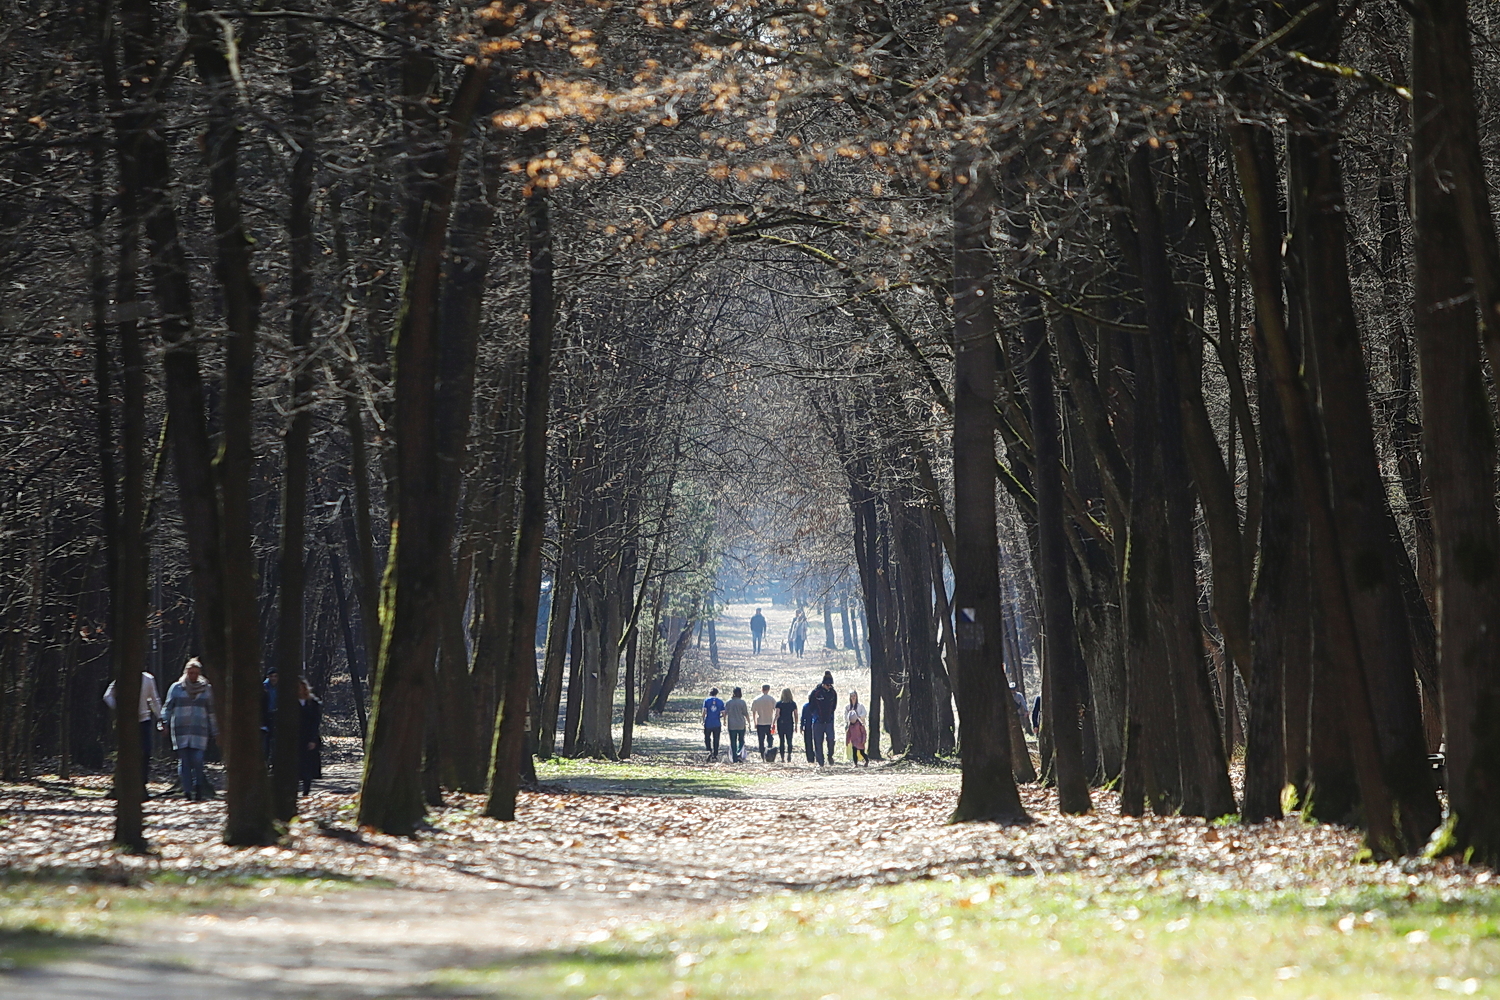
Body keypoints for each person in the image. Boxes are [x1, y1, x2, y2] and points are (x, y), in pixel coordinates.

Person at [161, 657, 217, 800]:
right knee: (184, 761)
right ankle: (187, 791)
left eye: (196, 673)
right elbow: (167, 707)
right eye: (191, 673)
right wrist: (163, 722)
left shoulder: (206, 688)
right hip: (181, 730)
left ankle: (198, 786)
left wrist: (215, 730)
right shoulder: (176, 688)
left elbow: (211, 711)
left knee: (198, 759)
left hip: (200, 730)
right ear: (186, 672)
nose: (193, 676)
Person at [103, 670, 163, 797]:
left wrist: (160, 717)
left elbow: (154, 699)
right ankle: (121, 785)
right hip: (126, 723)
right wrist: (120, 709)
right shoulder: (122, 678)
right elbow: (108, 696)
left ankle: (142, 785)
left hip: (144, 721)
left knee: (145, 752)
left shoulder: (148, 679)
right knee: (126, 753)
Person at [297, 679, 322, 797]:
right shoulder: (289, 703)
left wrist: (313, 739)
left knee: (307, 764)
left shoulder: (313, 703)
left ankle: (306, 790)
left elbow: (315, 722)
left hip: (308, 737)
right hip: (295, 737)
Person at [808, 671, 838, 765]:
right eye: (828, 685)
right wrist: (816, 716)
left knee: (831, 739)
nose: (829, 687)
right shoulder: (816, 693)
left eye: (831, 685)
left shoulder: (833, 693)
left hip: (829, 721)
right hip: (818, 721)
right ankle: (820, 761)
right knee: (818, 742)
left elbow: (834, 706)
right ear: (823, 684)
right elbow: (811, 706)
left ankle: (830, 755)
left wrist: (830, 715)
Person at [724, 687, 750, 762]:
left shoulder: (729, 702)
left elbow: (725, 713)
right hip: (741, 724)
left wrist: (724, 721)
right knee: (741, 740)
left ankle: (734, 756)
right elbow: (745, 713)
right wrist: (749, 722)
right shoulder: (742, 702)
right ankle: (739, 753)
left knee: (733, 741)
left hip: (732, 725)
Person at [752, 684, 777, 758]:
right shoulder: (771, 699)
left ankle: (762, 754)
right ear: (768, 690)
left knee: (761, 740)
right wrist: (774, 722)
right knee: (770, 738)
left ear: (761, 689)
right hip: (769, 722)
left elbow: (754, 712)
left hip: (760, 722)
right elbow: (776, 710)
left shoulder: (756, 699)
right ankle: (769, 753)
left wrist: (755, 722)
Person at [845, 691, 869, 766]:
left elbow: (864, 714)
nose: (853, 697)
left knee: (861, 751)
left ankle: (866, 760)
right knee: (854, 750)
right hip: (853, 738)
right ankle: (855, 763)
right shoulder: (848, 707)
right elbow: (845, 717)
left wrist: (858, 717)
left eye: (854, 695)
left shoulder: (860, 706)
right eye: (851, 696)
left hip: (859, 738)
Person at [775, 688, 798, 763]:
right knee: (789, 740)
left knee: (781, 740)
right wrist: (796, 725)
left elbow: (777, 714)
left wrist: (773, 722)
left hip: (781, 723)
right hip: (789, 723)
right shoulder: (793, 704)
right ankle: (789, 754)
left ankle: (782, 757)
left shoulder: (779, 703)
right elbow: (796, 715)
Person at [702, 687, 725, 759]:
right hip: (717, 723)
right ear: (716, 693)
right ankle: (715, 753)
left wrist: (703, 719)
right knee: (716, 738)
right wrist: (724, 720)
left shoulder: (706, 700)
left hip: (708, 722)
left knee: (707, 738)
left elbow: (704, 711)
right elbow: (723, 713)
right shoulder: (720, 701)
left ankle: (709, 751)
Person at [261, 669, 278, 759]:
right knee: (266, 740)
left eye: (275, 676)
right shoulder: (264, 687)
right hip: (267, 715)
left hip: (277, 715)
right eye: (271, 676)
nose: (273, 678)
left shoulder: (281, 687)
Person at [801, 693, 816, 763]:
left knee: (808, 742)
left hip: (809, 726)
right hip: (813, 725)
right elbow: (803, 717)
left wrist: (801, 726)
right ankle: (812, 756)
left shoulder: (806, 706)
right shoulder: (816, 706)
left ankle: (810, 757)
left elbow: (803, 717)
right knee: (814, 742)